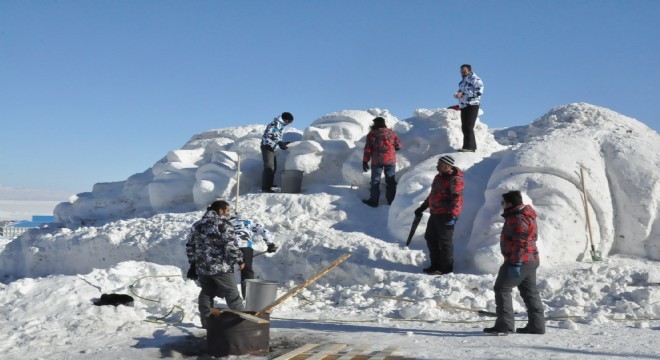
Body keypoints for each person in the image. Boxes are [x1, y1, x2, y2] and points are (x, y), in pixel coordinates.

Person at [484, 191, 545, 335]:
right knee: (530, 291)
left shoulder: (517, 218)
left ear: (510, 203)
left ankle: (505, 326)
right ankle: (537, 325)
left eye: (503, 202)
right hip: (531, 259)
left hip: (520, 259)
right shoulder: (524, 215)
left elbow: (521, 242)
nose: (502, 205)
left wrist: (516, 263)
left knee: (502, 288)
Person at [185, 200, 245, 328]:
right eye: (228, 210)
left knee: (207, 292)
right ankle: (241, 323)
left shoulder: (197, 225)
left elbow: (190, 246)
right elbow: (230, 246)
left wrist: (193, 264)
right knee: (232, 293)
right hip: (220, 267)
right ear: (221, 210)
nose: (229, 214)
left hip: (202, 267)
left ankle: (207, 322)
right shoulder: (223, 224)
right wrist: (239, 259)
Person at [414, 155, 464, 275]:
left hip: (446, 215)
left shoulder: (455, 180)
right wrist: (423, 206)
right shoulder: (438, 177)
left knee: (445, 242)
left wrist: (453, 214)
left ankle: (446, 268)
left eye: (440, 164)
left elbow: (457, 199)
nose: (437, 166)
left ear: (447, 166)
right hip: (435, 213)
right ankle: (435, 265)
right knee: (430, 238)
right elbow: (433, 195)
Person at [231, 213, 279, 298]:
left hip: (230, 247)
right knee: (247, 271)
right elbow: (263, 230)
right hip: (245, 247)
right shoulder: (247, 223)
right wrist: (270, 244)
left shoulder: (227, 223)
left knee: (226, 272)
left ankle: (227, 296)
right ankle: (247, 297)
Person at [362, 117, 402, 207]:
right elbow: (398, 146)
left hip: (377, 161)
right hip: (390, 160)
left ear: (375, 124)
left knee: (375, 181)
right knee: (390, 181)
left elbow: (368, 149)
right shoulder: (391, 133)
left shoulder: (372, 134)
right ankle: (391, 202)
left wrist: (365, 161)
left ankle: (374, 201)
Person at [453, 64, 484, 152]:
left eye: (464, 71)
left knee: (469, 126)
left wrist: (464, 94)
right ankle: (466, 146)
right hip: (464, 105)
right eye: (461, 72)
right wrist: (458, 94)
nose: (462, 73)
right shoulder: (462, 82)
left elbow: (479, 91)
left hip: (473, 104)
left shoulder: (475, 79)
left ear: (469, 71)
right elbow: (461, 91)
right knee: (464, 126)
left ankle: (471, 147)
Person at [261, 112, 294, 193]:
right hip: (267, 146)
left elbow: (276, 136)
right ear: (285, 119)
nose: (289, 124)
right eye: (289, 122)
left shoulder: (280, 126)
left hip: (272, 147)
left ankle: (269, 184)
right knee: (269, 167)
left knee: (274, 167)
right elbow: (270, 134)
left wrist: (283, 143)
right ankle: (265, 187)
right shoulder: (275, 123)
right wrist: (279, 142)